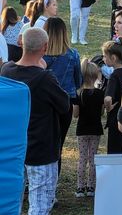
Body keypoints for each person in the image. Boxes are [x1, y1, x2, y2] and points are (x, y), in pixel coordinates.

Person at [1, 28, 69, 215]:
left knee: (10, 200)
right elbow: (64, 105)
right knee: (40, 205)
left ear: (21, 43)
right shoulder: (45, 78)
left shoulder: (6, 71)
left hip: (14, 148)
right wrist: (44, 70)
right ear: (45, 47)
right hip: (41, 150)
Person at [43, 17, 82, 174]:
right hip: (65, 103)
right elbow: (78, 82)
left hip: (43, 103)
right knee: (58, 145)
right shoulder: (72, 55)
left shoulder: (40, 56)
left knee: (42, 143)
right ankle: (54, 181)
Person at [73, 59, 104, 198]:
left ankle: (80, 187)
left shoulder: (78, 94)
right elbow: (102, 112)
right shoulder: (100, 94)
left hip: (82, 130)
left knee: (82, 158)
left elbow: (75, 114)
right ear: (96, 75)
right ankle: (91, 187)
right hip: (95, 129)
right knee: (92, 159)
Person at [103, 40, 122, 154]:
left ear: (113, 58)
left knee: (114, 150)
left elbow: (108, 98)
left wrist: (108, 108)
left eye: (105, 56)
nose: (103, 59)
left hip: (116, 119)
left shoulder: (114, 75)